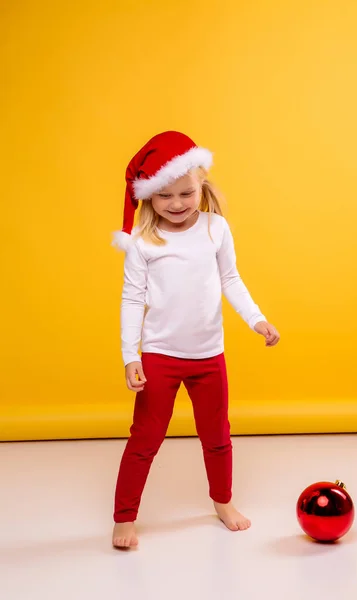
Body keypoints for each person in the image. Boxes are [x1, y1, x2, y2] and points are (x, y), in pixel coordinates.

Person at [111, 131, 280, 549]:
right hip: (160, 356)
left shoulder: (215, 228)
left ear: (201, 185)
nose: (178, 204)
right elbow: (132, 298)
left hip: (209, 356)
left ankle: (222, 501)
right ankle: (123, 518)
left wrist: (257, 320)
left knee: (217, 436)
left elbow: (230, 279)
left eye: (186, 193)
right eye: (164, 196)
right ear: (148, 197)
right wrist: (131, 356)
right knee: (144, 439)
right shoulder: (144, 242)